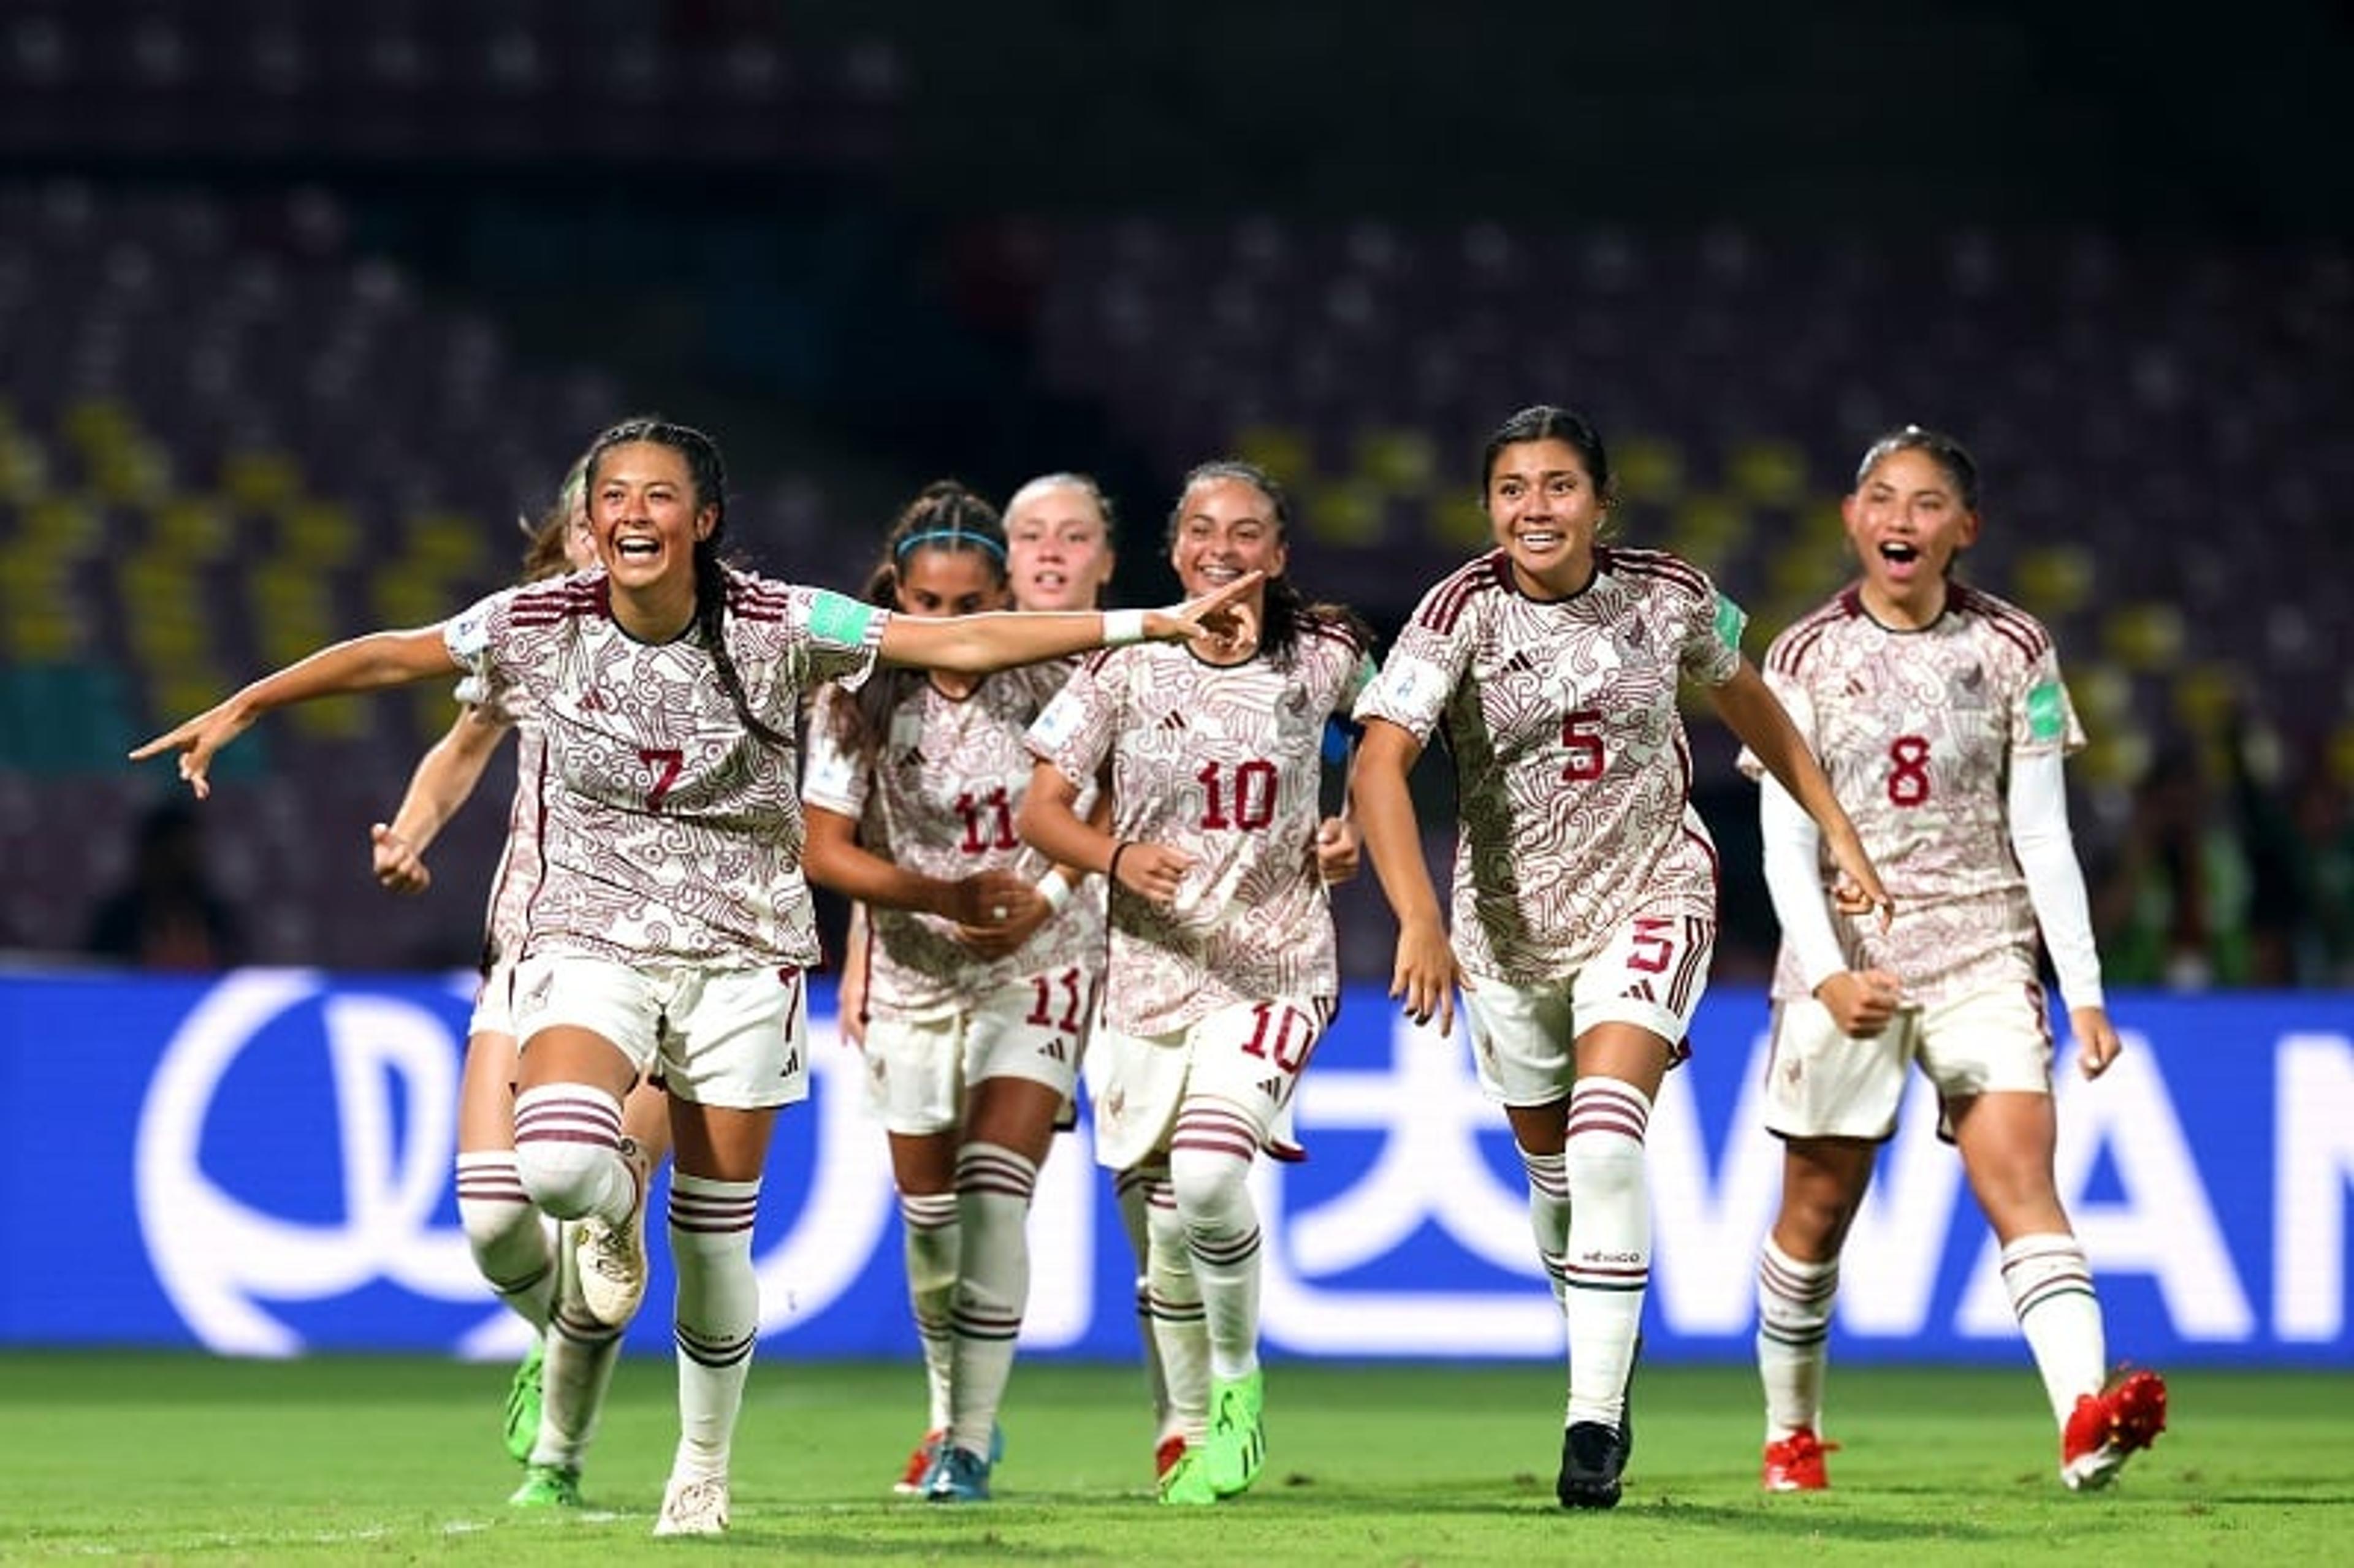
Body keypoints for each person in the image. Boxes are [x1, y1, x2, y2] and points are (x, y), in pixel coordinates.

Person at [130, 415, 1258, 1537]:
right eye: (614, 494)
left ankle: (700, 1469)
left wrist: (1151, 619)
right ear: (591, 518)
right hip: (588, 939)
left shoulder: (779, 620)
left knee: (716, 1236)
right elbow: (394, 652)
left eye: (659, 495)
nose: (632, 513)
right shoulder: (539, 619)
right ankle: (603, 1228)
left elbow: (954, 647)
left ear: (704, 520)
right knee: (565, 1165)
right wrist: (248, 700)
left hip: (742, 955)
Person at [1347, 404, 1891, 1512]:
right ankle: (1603, 1335)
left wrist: (1835, 825)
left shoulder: (1671, 593)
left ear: (1602, 501)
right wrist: (1416, 918)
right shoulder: (1455, 612)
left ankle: (1592, 1419)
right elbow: (1376, 767)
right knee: (1557, 1179)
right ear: (1488, 503)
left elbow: (1753, 701)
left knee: (1605, 1139)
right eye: (1511, 488)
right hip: (1506, 927)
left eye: (1557, 486)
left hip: (1652, 889)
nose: (1533, 508)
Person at [1742, 425, 2166, 1493]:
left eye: (1927, 503)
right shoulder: (1802, 657)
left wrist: (2086, 991)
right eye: (1881, 498)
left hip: (1982, 948)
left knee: (2022, 1175)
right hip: (1849, 963)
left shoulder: (2015, 648)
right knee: (1816, 1210)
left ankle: (2083, 1419)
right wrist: (1831, 971)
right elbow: (1785, 838)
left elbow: (2042, 833)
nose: (1901, 519)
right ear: (1851, 518)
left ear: (1964, 529)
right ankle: (1792, 1432)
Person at [1018, 459, 1371, 1507]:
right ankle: (1182, 1427)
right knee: (1165, 1228)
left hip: (1276, 965)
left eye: (1248, 531)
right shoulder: (1125, 664)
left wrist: (1347, 821)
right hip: (1147, 978)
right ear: (1175, 551)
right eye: (1204, 530)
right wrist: (1116, 857)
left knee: (1211, 1176)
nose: (1224, 548)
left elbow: (1384, 741)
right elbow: (1043, 810)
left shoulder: (1325, 652)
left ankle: (1236, 1391)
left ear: (1279, 555)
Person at [367, 463, 674, 1507]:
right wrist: (411, 836)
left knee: (593, 1216)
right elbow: (461, 749)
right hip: (537, 954)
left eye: (643, 515)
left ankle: (558, 1459)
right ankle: (557, 1341)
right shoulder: (536, 645)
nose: (617, 537)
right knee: (499, 1219)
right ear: (572, 540)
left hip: (676, 967)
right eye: (597, 521)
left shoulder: (719, 642)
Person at [801, 481, 1108, 1504]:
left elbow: (1098, 804)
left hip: (1040, 961)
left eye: (968, 605)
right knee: (929, 1222)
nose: (944, 624)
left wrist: (1050, 889)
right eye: (925, 604)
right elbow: (824, 850)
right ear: (897, 595)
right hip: (914, 972)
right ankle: (948, 1413)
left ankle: (968, 1439)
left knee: (989, 1192)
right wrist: (937, 894)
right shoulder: (853, 696)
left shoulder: (1058, 683)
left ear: (1001, 602)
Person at [84, 798, 245, 969]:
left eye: (187, 854)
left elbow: (238, 977)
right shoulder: (118, 920)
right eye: (169, 854)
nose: (178, 864)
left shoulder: (215, 917)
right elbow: (97, 977)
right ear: (150, 853)